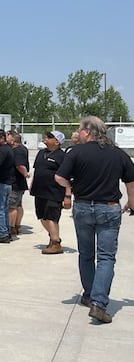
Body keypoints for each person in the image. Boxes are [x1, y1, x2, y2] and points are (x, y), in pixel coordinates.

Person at [55, 116, 134, 324]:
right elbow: (130, 180)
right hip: (109, 207)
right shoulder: (118, 153)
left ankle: (90, 295)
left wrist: (70, 186)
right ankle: (99, 303)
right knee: (106, 257)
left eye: (80, 130)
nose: (78, 133)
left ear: (88, 131)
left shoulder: (76, 152)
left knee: (86, 254)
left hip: (83, 207)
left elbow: (59, 177)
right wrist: (132, 201)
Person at [30, 131, 70, 254]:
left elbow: (68, 177)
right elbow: (37, 170)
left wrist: (68, 195)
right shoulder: (41, 153)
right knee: (42, 217)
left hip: (54, 192)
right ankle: (54, 237)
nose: (46, 138)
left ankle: (56, 244)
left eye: (49, 137)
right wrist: (32, 184)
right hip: (39, 190)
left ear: (57, 142)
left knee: (51, 217)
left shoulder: (62, 156)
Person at [6, 131, 30, 236]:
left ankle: (12, 227)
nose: (6, 139)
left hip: (15, 182)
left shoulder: (17, 150)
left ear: (13, 140)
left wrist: (25, 174)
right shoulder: (22, 148)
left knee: (12, 206)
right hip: (19, 182)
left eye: (8, 137)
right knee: (18, 204)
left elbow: (19, 165)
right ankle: (17, 225)